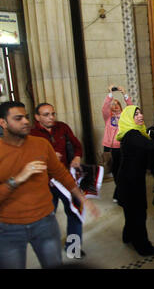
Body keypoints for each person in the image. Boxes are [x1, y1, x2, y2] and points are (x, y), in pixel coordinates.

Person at [0, 101, 99, 269]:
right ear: (3, 123)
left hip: (44, 223)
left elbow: (60, 172)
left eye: (26, 117)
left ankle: (73, 249)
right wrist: (17, 179)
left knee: (74, 217)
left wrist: (81, 197)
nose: (25, 121)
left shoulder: (43, 141)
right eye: (18, 118)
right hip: (9, 228)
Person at [30, 103, 87, 258]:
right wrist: (47, 156)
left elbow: (77, 146)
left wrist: (77, 156)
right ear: (37, 117)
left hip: (65, 179)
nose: (51, 117)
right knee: (47, 218)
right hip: (46, 183)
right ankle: (48, 250)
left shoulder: (62, 128)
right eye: (46, 114)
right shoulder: (31, 134)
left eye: (53, 113)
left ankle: (73, 249)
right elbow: (27, 160)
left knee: (75, 212)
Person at [116, 105, 154, 256]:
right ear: (127, 118)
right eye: (135, 114)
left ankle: (128, 236)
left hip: (130, 178)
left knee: (131, 211)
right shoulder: (132, 134)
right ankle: (143, 247)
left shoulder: (137, 133)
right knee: (138, 213)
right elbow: (149, 146)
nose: (140, 116)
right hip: (130, 180)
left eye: (140, 113)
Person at [102, 85, 133, 203]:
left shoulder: (126, 116)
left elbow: (131, 107)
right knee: (115, 172)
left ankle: (119, 194)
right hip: (110, 149)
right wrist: (110, 94)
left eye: (116, 104)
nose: (114, 106)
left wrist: (124, 94)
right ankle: (119, 192)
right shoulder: (108, 118)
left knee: (123, 171)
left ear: (120, 106)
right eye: (112, 105)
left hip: (123, 147)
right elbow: (104, 108)